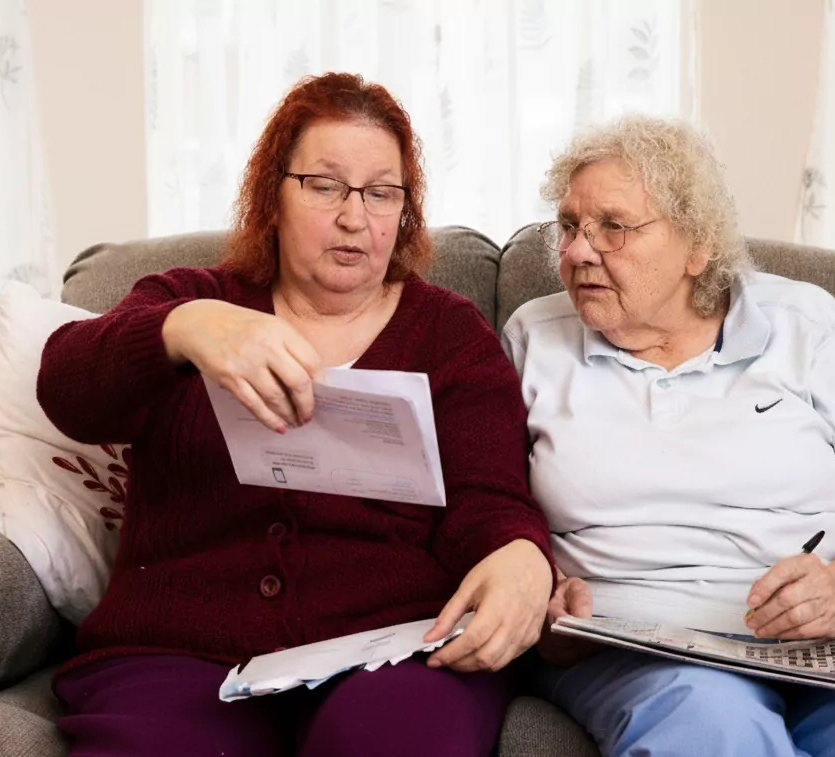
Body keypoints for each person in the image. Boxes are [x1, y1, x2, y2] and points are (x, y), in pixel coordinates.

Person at [37, 72, 554, 757]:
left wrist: (520, 554)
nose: (354, 217)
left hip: (392, 650)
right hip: (180, 650)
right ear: (272, 197)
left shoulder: (450, 334)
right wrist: (182, 330)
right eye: (325, 185)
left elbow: (489, 502)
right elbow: (66, 388)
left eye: (380, 192)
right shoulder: (193, 299)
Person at [501, 115, 835, 757]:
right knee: (714, 728)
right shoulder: (534, 337)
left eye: (613, 228)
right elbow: (491, 509)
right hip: (631, 641)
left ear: (696, 246)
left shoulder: (804, 323)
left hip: (832, 635)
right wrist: (544, 604)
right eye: (569, 227)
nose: (578, 252)